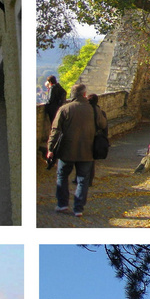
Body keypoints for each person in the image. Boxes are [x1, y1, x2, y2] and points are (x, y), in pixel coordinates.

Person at [46, 82, 108, 217]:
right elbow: (103, 124)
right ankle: (78, 208)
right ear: (84, 94)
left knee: (62, 176)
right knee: (83, 180)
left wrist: (50, 148)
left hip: (66, 150)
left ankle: (62, 204)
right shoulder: (93, 109)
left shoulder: (64, 109)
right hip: (87, 150)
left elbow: (55, 131)